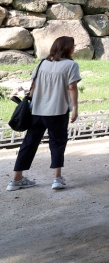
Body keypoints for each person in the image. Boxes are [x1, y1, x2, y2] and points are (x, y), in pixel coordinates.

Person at [7, 36, 80, 192]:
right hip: (58, 111)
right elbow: (72, 87)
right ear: (68, 48)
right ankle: (57, 179)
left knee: (29, 143)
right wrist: (75, 107)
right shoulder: (71, 65)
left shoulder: (42, 63)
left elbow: (33, 88)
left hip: (36, 111)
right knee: (57, 143)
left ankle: (16, 179)